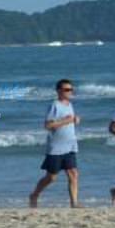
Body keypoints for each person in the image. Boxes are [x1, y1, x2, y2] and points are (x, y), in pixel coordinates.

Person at [29, 78, 81, 208]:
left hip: (70, 146)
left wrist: (75, 120)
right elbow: (47, 125)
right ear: (58, 91)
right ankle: (34, 194)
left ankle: (74, 203)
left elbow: (69, 121)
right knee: (51, 178)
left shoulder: (70, 105)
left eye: (71, 89)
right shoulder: (54, 105)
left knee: (73, 174)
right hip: (56, 147)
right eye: (66, 90)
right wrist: (67, 121)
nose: (69, 92)